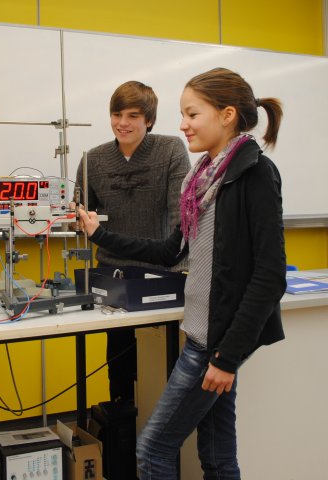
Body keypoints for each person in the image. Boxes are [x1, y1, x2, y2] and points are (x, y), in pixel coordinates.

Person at [76, 67, 286, 479]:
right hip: (204, 333)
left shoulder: (255, 173)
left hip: (216, 343)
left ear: (227, 115)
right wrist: (100, 234)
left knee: (152, 449)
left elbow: (269, 275)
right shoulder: (202, 177)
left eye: (192, 114)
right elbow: (170, 250)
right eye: (182, 114)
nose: (183, 124)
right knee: (217, 456)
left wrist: (227, 358)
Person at [75, 81, 190, 404]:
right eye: (117, 114)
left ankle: (159, 429)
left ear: (149, 120)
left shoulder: (171, 150)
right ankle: (122, 421)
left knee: (163, 365)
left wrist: (176, 263)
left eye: (133, 116)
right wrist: (77, 216)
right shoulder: (93, 160)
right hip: (114, 277)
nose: (122, 123)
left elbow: (180, 219)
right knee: (120, 366)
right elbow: (81, 211)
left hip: (162, 273)